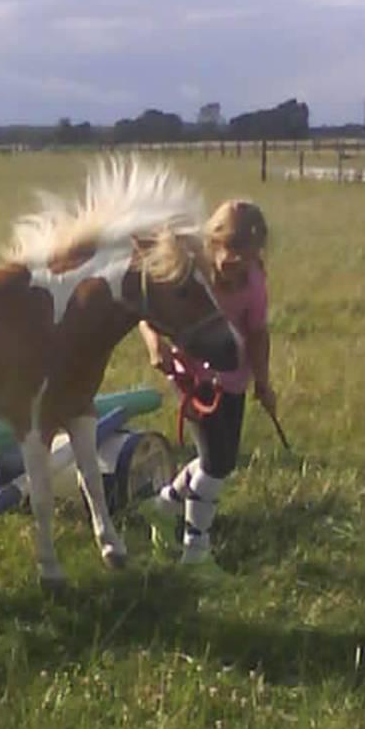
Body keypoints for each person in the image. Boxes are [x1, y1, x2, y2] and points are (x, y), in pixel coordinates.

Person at [139, 198, 277, 576]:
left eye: (246, 256)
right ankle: (196, 552)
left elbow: (257, 333)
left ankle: (163, 506)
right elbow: (149, 315)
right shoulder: (190, 272)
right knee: (215, 466)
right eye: (230, 251)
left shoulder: (254, 281)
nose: (236, 262)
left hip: (233, 377)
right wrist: (155, 345)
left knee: (222, 461)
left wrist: (263, 382)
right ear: (213, 241)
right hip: (193, 378)